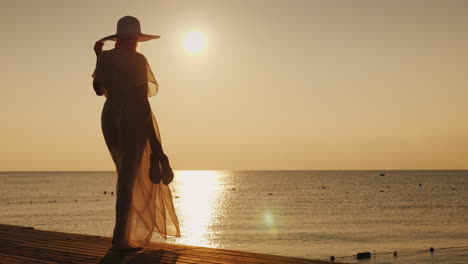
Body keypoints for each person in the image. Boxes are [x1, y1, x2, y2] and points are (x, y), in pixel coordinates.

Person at [92, 16, 180, 250]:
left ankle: (121, 235)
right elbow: (142, 97)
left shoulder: (107, 57)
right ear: (137, 39)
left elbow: (98, 89)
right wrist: (154, 140)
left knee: (123, 171)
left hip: (109, 114)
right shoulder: (139, 60)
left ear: (118, 38)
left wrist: (99, 58)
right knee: (128, 176)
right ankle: (121, 239)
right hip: (132, 114)